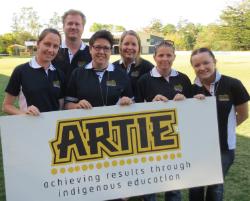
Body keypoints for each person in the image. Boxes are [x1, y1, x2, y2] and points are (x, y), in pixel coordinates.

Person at [189, 48, 249, 201]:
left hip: (224, 147)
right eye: (197, 65)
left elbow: (243, 114)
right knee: (196, 185)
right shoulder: (192, 88)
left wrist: (225, 129)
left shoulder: (233, 84)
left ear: (214, 62)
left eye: (206, 63)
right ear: (193, 67)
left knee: (215, 186)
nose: (202, 68)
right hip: (199, 148)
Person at [137, 40, 193, 201]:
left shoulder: (183, 79)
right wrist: (151, 104)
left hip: (176, 139)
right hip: (150, 140)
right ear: (154, 57)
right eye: (161, 55)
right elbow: (135, 112)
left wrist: (186, 101)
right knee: (150, 185)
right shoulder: (144, 80)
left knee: (174, 186)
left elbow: (192, 112)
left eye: (169, 55)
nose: (165, 59)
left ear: (174, 57)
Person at [65, 30, 133, 110]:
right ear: (90, 49)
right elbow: (67, 104)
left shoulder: (121, 74)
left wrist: (128, 101)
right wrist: (77, 106)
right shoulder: (77, 73)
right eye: (97, 47)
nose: (101, 52)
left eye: (106, 48)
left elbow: (133, 102)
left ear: (111, 51)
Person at [2, 28, 65, 115]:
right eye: (47, 44)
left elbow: (61, 103)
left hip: (53, 127)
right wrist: (24, 114)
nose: (51, 50)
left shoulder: (59, 73)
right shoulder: (20, 71)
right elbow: (6, 106)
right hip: (30, 127)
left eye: (55, 46)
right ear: (38, 44)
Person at [52, 9, 91, 84]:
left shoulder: (91, 53)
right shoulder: (52, 51)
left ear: (83, 28)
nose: (73, 27)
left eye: (77, 24)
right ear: (63, 27)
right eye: (70, 23)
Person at [113, 30, 154, 100]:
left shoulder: (148, 67)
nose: (130, 47)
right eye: (126, 44)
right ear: (120, 46)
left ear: (139, 48)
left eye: (134, 44)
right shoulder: (112, 67)